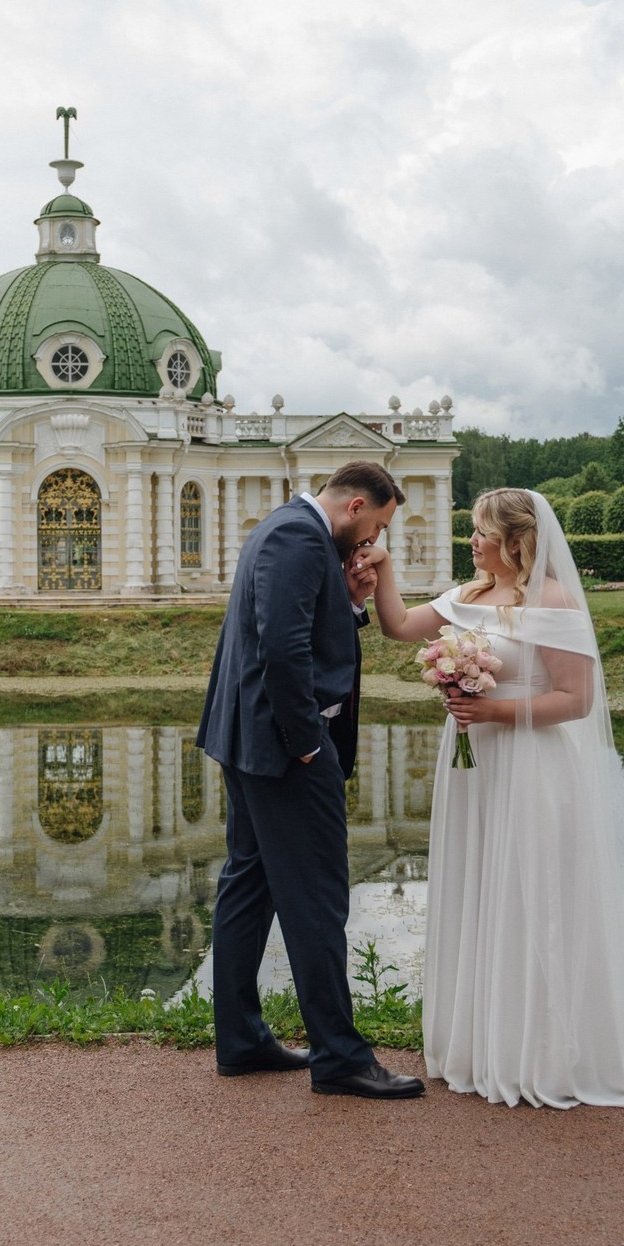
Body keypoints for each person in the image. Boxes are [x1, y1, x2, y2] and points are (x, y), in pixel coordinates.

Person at [356, 487, 624, 1109]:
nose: (471, 540)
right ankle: (478, 1040)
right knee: (478, 884)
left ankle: (539, 1048)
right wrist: (382, 565)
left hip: (532, 764)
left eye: (482, 532)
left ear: (517, 540)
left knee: (530, 890)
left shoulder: (553, 600)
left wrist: (493, 710)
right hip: (473, 766)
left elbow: (577, 700)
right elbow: (399, 626)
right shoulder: (469, 595)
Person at [197, 461, 425, 1100]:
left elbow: (305, 631)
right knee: (318, 899)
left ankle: (241, 1041)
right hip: (284, 748)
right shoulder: (298, 536)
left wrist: (352, 599)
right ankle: (340, 1058)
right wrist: (306, 745)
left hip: (253, 740)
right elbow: (282, 648)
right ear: (356, 506)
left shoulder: (289, 529)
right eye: (376, 526)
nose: (373, 541)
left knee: (249, 887)